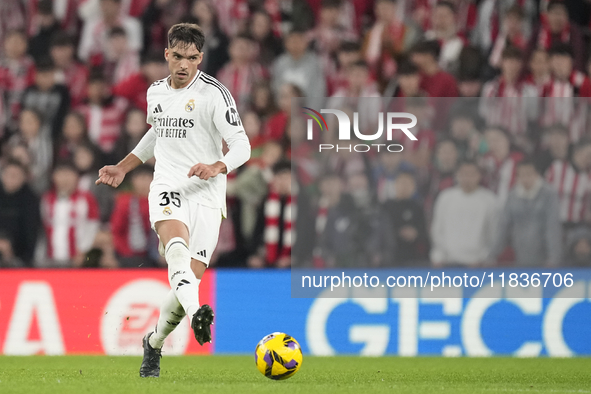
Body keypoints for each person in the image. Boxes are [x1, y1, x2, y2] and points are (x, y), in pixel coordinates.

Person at [95, 23, 250, 377]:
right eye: (177, 56)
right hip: (167, 185)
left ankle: (153, 342)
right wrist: (124, 166)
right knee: (175, 250)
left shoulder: (215, 94)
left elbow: (243, 145)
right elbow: (156, 133)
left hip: (208, 193)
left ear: (200, 58)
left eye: (192, 58)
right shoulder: (155, 93)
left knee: (185, 285)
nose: (183, 65)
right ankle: (198, 313)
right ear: (167, 54)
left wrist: (218, 165)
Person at [492, 160, 562, 267]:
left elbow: (552, 227)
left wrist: (553, 258)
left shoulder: (549, 194)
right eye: (522, 175)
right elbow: (504, 227)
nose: (525, 178)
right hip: (520, 255)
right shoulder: (513, 195)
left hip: (544, 257)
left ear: (537, 174)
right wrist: (492, 255)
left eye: (529, 174)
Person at [430, 161, 498, 267]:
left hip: (477, 262)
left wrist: (484, 257)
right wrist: (440, 255)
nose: (467, 178)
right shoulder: (446, 197)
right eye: (464, 174)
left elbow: (493, 232)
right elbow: (437, 229)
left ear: (479, 176)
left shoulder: (489, 199)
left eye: (471, 174)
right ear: (457, 175)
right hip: (447, 260)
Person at [0, 159, 40, 266]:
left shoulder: (31, 199)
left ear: (24, 178)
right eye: (8, 174)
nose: (11, 178)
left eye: (15, 175)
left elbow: (31, 232)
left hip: (20, 258)